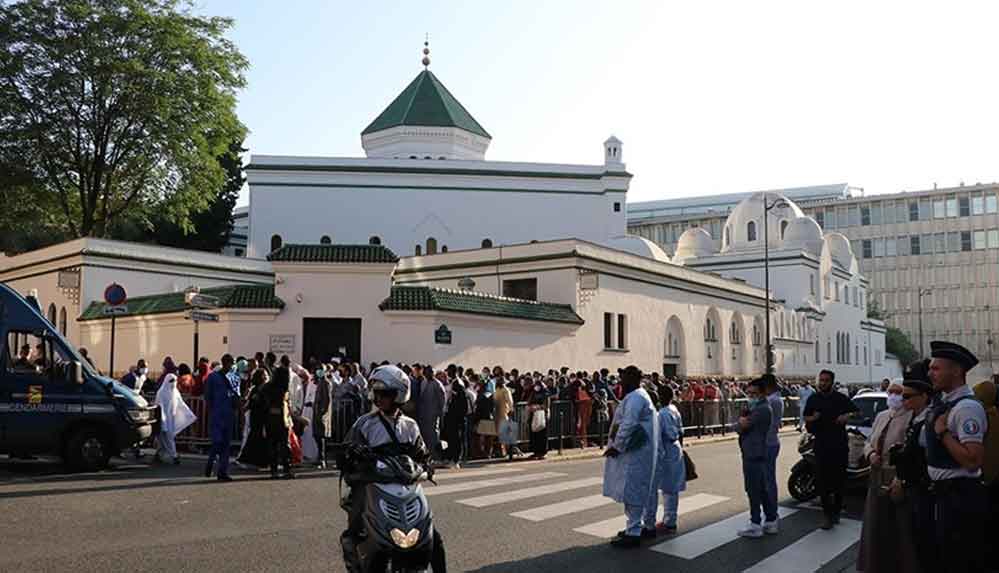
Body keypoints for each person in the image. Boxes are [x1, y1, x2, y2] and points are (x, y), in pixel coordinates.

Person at [339, 366, 444, 573]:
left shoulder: (410, 426)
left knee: (434, 537)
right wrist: (351, 455)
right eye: (376, 393)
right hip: (374, 484)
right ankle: (351, 548)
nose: (379, 398)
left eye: (384, 394)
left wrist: (429, 465)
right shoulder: (365, 424)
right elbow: (346, 452)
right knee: (358, 520)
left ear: (398, 395)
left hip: (406, 488)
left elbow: (422, 455)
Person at [922, 341, 988, 572]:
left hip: (960, 496)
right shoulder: (943, 403)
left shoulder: (966, 408)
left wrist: (943, 435)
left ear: (957, 371)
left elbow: (973, 461)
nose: (930, 373)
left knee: (958, 559)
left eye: (936, 368)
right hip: (944, 494)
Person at [857, 379, 918, 572]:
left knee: (898, 525)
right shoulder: (882, 415)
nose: (893, 396)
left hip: (896, 477)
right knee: (875, 523)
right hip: (876, 476)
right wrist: (871, 454)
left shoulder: (911, 418)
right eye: (890, 392)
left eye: (898, 392)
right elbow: (868, 441)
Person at [603, 365, 659, 549]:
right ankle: (640, 526)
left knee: (632, 489)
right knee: (639, 488)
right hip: (637, 451)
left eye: (624, 377)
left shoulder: (636, 397)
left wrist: (617, 447)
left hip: (634, 453)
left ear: (633, 379)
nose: (621, 380)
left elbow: (628, 424)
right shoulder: (638, 395)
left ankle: (633, 531)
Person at [889, 359, 935, 571]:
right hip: (912, 487)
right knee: (914, 538)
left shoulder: (930, 420)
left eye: (907, 396)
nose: (902, 400)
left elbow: (926, 459)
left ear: (924, 396)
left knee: (925, 540)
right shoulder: (915, 418)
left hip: (922, 489)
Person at [803, 369, 859, 529]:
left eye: (826, 380)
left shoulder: (840, 398)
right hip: (821, 444)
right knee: (822, 482)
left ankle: (836, 512)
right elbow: (805, 416)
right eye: (821, 380)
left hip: (839, 444)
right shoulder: (813, 398)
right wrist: (812, 418)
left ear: (832, 382)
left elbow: (856, 411)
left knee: (840, 481)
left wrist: (846, 417)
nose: (822, 383)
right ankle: (827, 516)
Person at [645, 385, 686, 535]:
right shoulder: (674, 409)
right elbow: (681, 431)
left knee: (668, 489)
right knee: (671, 488)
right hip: (675, 449)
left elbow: (662, 435)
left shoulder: (661, 414)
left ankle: (669, 522)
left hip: (667, 450)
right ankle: (669, 519)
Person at [736, 378, 773, 538]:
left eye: (754, 394)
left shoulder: (762, 409)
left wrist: (740, 423)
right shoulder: (759, 407)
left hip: (753, 453)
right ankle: (770, 520)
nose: (750, 397)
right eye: (749, 393)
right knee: (762, 489)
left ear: (763, 393)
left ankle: (755, 523)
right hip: (755, 451)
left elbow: (741, 426)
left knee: (753, 490)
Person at [203, 354, 240, 481]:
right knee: (217, 441)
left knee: (226, 444)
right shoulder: (213, 377)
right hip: (217, 414)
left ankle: (222, 471)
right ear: (225, 363)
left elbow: (237, 396)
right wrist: (212, 408)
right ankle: (211, 462)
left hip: (229, 414)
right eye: (231, 363)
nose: (232, 366)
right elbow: (208, 395)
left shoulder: (235, 378)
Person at [154, 361, 196, 465]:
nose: (174, 383)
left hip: (171, 419)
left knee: (168, 438)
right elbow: (158, 406)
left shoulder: (175, 392)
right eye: (172, 380)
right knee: (164, 438)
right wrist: (162, 420)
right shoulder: (162, 392)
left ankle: (170, 455)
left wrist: (188, 414)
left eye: (175, 380)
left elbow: (181, 404)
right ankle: (172, 455)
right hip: (163, 420)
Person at [264, 366, 294, 479]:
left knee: (273, 446)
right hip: (282, 420)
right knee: (284, 445)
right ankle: (287, 469)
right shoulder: (283, 389)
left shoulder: (268, 387)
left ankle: (274, 470)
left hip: (270, 419)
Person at [762, 374, 783, 533]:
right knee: (767, 479)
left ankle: (772, 514)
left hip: (768, 443)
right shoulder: (775, 399)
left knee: (768, 480)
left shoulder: (772, 400)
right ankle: (771, 513)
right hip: (770, 441)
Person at [312, 367, 332, 469]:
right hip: (317, 412)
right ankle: (319, 457)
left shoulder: (326, 383)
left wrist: (322, 412)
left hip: (322, 414)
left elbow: (327, 399)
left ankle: (322, 459)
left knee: (321, 436)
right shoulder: (319, 382)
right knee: (316, 435)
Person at [528, 382, 549, 460]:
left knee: (542, 435)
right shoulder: (533, 393)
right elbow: (529, 402)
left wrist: (537, 407)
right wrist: (530, 407)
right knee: (534, 435)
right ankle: (535, 452)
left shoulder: (545, 394)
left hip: (542, 416)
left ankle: (542, 452)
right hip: (533, 416)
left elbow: (546, 405)